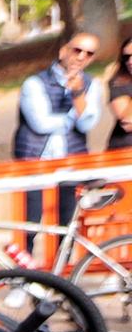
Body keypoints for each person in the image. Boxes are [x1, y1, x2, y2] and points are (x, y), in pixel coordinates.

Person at [16, 31, 107, 227]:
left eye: (89, 54)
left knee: (67, 223)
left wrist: (77, 94)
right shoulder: (34, 83)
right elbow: (41, 123)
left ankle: (63, 259)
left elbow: (87, 124)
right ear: (63, 52)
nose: (81, 57)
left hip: (71, 161)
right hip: (35, 160)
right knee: (30, 223)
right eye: (77, 50)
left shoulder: (91, 85)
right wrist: (74, 116)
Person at [107, 37, 132, 152]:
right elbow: (128, 122)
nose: (130, 61)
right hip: (125, 149)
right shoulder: (119, 82)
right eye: (126, 57)